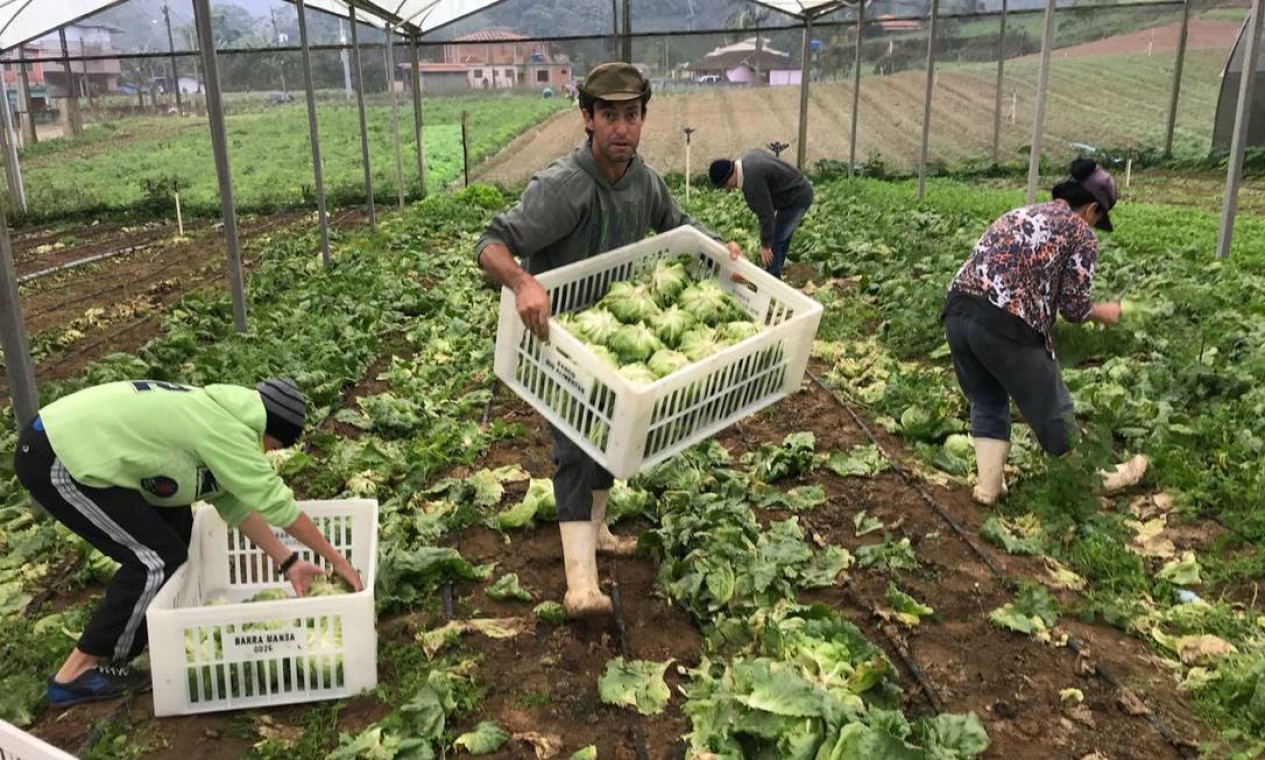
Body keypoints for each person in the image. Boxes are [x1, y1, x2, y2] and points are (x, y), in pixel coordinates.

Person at [476, 62, 742, 619]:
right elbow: (491, 243)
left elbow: (680, 228)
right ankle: (580, 586)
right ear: (588, 119)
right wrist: (523, 281)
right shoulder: (563, 188)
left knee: (611, 436)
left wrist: (723, 250)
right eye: (609, 117)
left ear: (643, 119)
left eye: (631, 116)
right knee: (575, 447)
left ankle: (595, 534)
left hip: (612, 341)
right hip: (555, 342)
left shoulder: (643, 181)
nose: (621, 128)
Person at [12, 378, 364, 707]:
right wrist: (338, 560)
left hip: (85, 449)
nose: (268, 454)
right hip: (57, 455)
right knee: (156, 560)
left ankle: (149, 636)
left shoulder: (220, 416)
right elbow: (277, 504)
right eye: (273, 447)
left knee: (179, 535)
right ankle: (74, 674)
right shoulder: (226, 430)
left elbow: (235, 503)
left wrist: (289, 562)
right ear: (270, 434)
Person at [941, 158, 1148, 506]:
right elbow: (1075, 308)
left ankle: (987, 488)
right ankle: (1091, 481)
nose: (1095, 226)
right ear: (1092, 209)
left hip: (958, 312)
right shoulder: (1080, 233)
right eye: (1099, 218)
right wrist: (1106, 312)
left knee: (987, 398)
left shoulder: (1020, 213)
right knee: (1051, 403)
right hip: (1005, 322)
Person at [708, 148, 815, 279]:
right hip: (793, 193)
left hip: (797, 198)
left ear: (727, 179)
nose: (727, 190)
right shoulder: (748, 159)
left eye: (725, 186)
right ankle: (775, 271)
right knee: (781, 237)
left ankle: (772, 278)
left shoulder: (751, 181)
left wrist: (765, 244)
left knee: (775, 240)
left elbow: (766, 214)